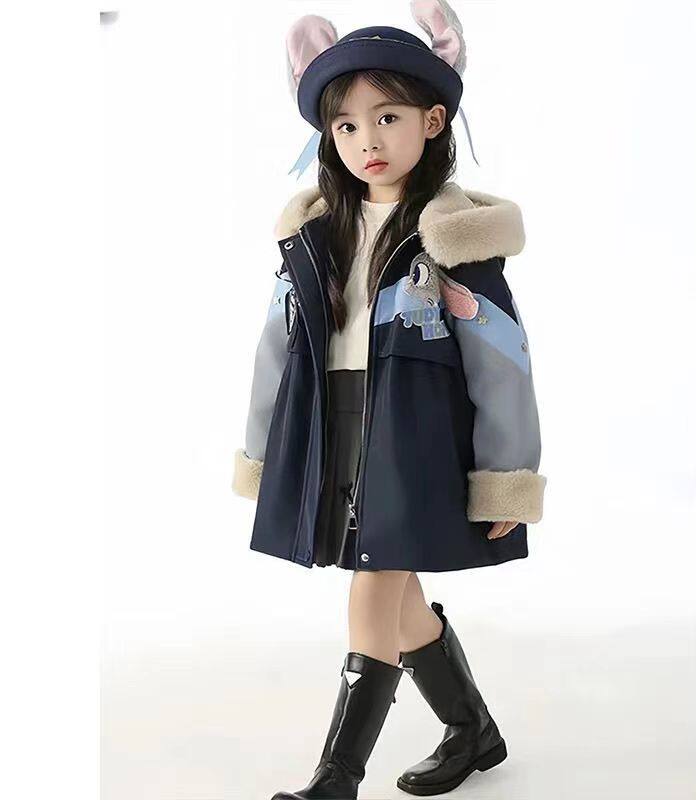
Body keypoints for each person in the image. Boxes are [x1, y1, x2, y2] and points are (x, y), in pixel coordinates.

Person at [232, 3, 547, 798]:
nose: (366, 140)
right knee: (395, 590)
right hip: (334, 424)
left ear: (433, 122)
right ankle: (473, 730)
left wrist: (506, 474)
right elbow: (277, 348)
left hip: (416, 433)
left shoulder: (453, 236)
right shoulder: (316, 234)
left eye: (388, 117)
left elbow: (502, 361)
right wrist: (263, 453)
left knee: (373, 584)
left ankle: (337, 778)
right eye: (346, 125)